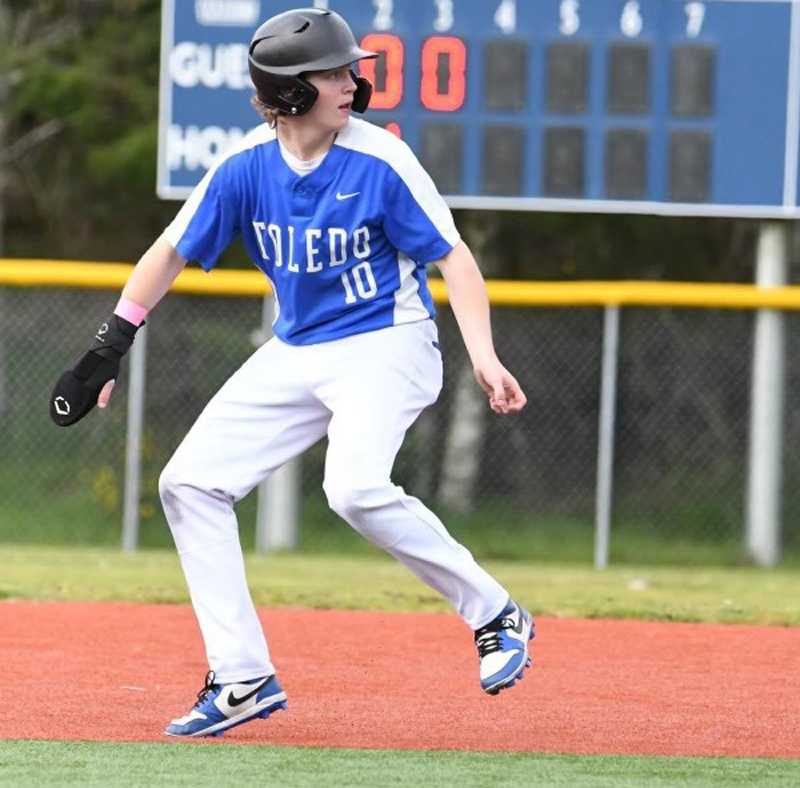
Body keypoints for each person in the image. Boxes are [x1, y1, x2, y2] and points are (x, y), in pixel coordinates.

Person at [50, 8, 533, 739]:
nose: (352, 84)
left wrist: (484, 356)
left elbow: (453, 258)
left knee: (354, 488)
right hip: (299, 347)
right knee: (188, 484)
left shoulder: (381, 158)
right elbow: (169, 252)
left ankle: (496, 613)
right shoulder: (246, 166)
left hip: (387, 342)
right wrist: (108, 346)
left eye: (350, 72)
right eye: (334, 74)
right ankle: (241, 677)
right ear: (290, 92)